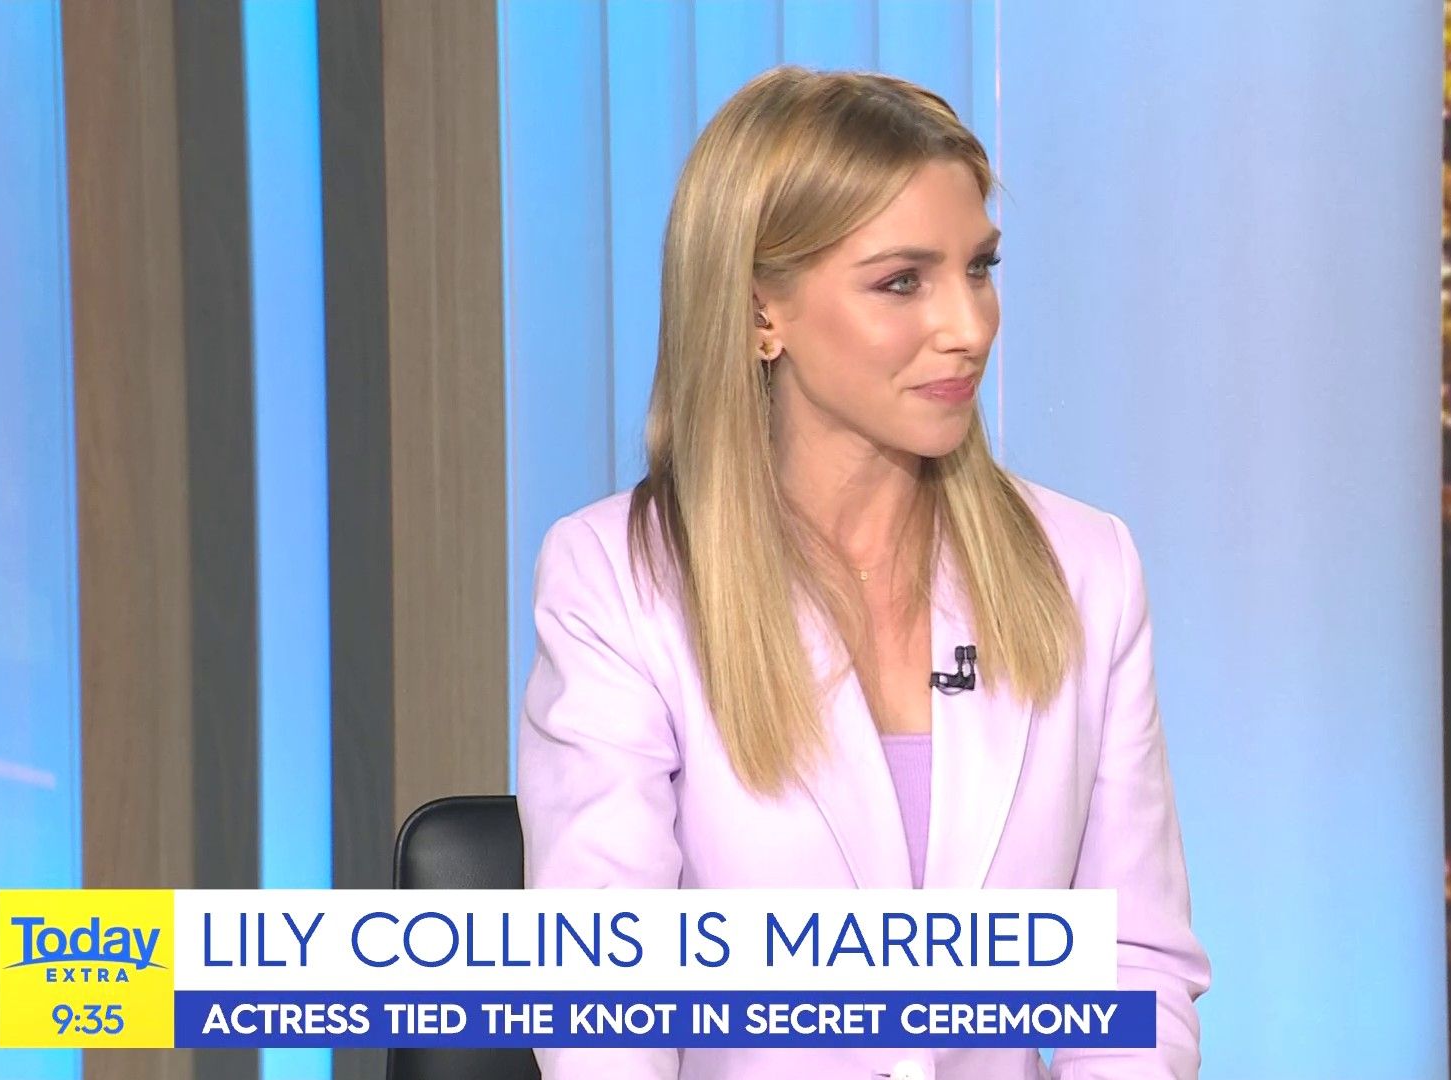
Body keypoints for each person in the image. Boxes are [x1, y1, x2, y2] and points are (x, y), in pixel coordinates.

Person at [517, 64, 1211, 1080]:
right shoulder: (617, 581)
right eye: (903, 282)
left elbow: (1132, 966)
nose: (969, 327)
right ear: (761, 312)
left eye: (980, 269)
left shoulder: (1085, 566)